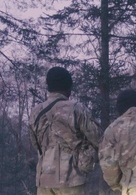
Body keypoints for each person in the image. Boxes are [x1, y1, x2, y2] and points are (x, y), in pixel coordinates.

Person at [28, 66, 102, 195]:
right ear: (68, 87)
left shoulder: (35, 113)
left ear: (48, 86)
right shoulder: (76, 109)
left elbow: (36, 145)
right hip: (71, 179)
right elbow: (99, 139)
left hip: (43, 180)